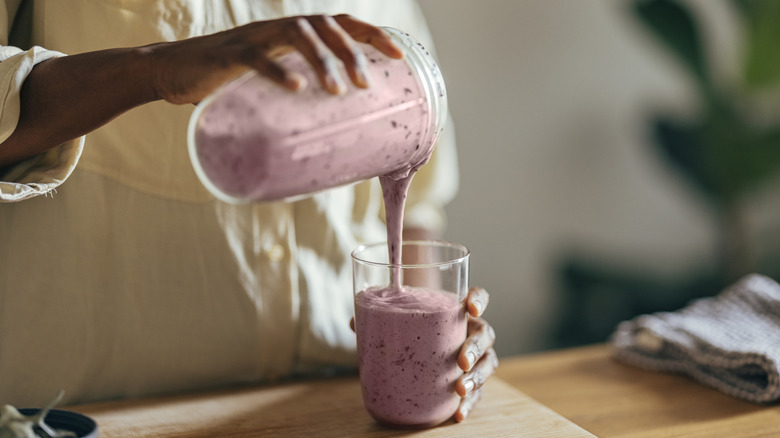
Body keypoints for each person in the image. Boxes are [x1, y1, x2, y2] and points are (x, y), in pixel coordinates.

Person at [0, 0, 497, 422]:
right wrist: (152, 68)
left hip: (332, 410)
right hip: (93, 417)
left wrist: (434, 343)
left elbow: (419, 194)